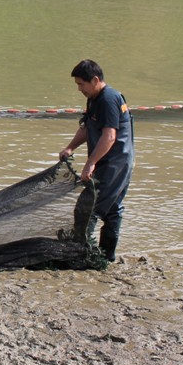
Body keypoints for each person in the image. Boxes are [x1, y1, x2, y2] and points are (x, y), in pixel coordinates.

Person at [59, 59, 134, 262]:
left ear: (94, 80)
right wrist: (70, 147)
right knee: (111, 209)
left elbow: (109, 137)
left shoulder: (108, 99)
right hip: (109, 162)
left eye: (81, 84)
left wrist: (90, 163)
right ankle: (105, 256)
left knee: (87, 207)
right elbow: (87, 127)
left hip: (115, 164)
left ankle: (84, 254)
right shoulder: (94, 98)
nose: (79, 89)